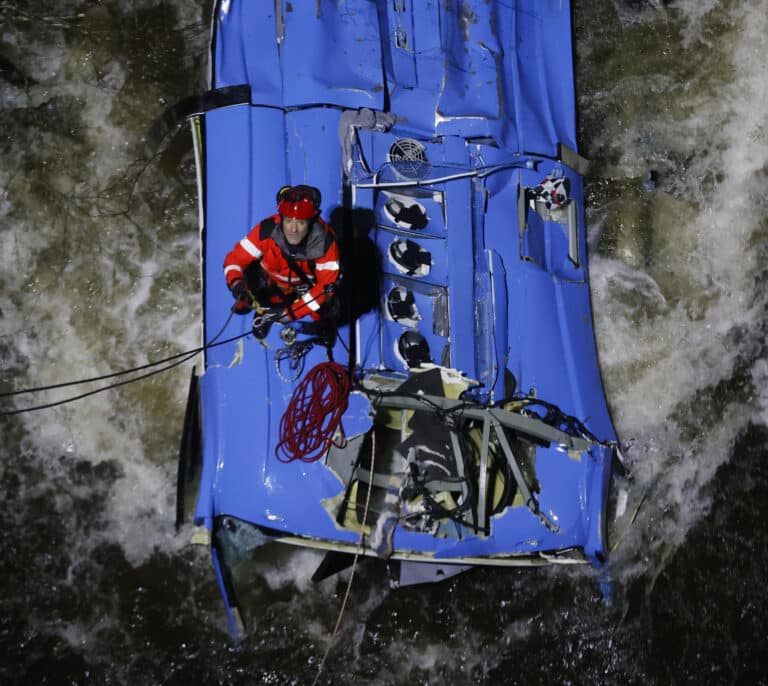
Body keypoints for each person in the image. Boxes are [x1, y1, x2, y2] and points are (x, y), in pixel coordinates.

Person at [223, 185, 340, 339]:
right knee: (254, 283)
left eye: (301, 223)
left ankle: (323, 325)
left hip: (304, 288)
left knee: (326, 305)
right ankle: (263, 312)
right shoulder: (265, 231)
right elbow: (235, 259)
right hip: (271, 282)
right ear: (281, 218)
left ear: (311, 221)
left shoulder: (326, 244)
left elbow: (324, 289)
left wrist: (291, 313)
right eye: (289, 221)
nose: (293, 229)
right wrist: (236, 283)